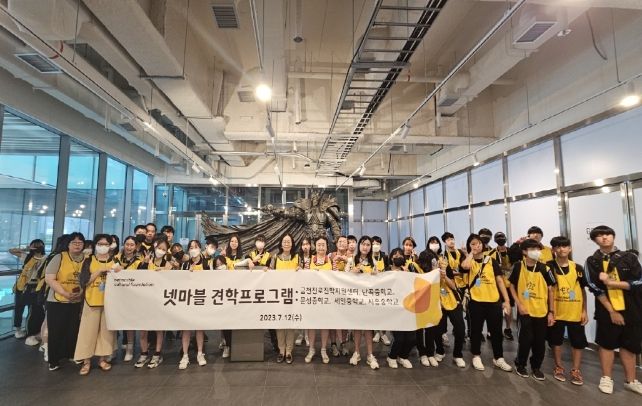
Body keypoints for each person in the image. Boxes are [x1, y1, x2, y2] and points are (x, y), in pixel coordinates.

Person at [584, 225, 642, 395]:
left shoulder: (629, 257)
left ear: (613, 236)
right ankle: (606, 378)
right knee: (606, 344)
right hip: (606, 310)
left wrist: (612, 283)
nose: (604, 237)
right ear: (594, 240)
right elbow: (594, 287)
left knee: (629, 345)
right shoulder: (592, 261)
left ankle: (631, 381)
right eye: (600, 235)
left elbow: (638, 281)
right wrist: (612, 311)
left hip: (631, 309)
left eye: (608, 234)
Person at [460, 234, 512, 372]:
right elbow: (465, 266)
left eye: (478, 243)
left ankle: (498, 358)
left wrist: (506, 300)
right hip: (476, 301)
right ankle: (476, 356)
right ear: (469, 246)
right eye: (472, 244)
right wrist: (470, 253)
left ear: (483, 244)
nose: (476, 246)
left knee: (496, 332)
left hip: (493, 301)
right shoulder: (469, 260)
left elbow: (500, 280)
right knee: (476, 331)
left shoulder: (491, 260)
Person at [508, 239, 556, 381]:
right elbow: (511, 286)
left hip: (542, 311)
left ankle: (536, 367)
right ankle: (520, 364)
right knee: (525, 340)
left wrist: (551, 312)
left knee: (540, 342)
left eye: (538, 249)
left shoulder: (545, 268)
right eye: (532, 249)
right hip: (525, 311)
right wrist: (519, 304)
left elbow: (551, 290)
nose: (536, 251)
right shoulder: (518, 266)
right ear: (524, 251)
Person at [75, 234, 118, 376]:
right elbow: (84, 281)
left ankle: (102, 359)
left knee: (106, 333)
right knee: (87, 332)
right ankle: (86, 361)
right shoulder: (88, 260)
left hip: (109, 303)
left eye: (106, 244)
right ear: (95, 245)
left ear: (110, 246)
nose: (103, 247)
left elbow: (122, 280)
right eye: (100, 244)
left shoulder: (115, 261)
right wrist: (99, 271)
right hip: (91, 301)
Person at [547, 236, 588, 385]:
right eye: (558, 246)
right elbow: (547, 290)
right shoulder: (548, 266)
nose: (561, 249)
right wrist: (550, 312)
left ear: (569, 249)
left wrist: (584, 310)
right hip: (557, 311)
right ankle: (558, 367)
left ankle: (576, 370)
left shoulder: (578, 268)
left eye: (564, 246)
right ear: (553, 250)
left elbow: (582, 290)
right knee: (556, 341)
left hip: (575, 311)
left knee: (577, 342)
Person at [44, 232, 86, 371]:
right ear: (68, 244)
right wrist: (65, 293)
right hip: (57, 301)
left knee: (72, 330)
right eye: (74, 242)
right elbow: (49, 278)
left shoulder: (86, 259)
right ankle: (53, 360)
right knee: (56, 331)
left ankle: (71, 354)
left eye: (80, 243)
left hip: (76, 301)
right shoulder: (59, 257)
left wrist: (80, 293)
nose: (77, 245)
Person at [135, 236, 173, 368]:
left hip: (159, 300)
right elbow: (138, 277)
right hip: (144, 299)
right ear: (155, 247)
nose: (161, 251)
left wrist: (162, 270)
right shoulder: (146, 260)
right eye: (159, 248)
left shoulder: (167, 264)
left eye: (164, 249)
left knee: (158, 328)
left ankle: (157, 354)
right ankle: (144, 353)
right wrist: (145, 263)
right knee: (143, 329)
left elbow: (170, 279)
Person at [348, 235, 380, 370]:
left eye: (368, 244)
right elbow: (343, 278)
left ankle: (370, 355)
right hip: (355, 299)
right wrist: (352, 272)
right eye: (363, 244)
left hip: (368, 301)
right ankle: (356, 352)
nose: (365, 247)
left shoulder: (374, 261)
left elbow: (379, 280)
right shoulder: (351, 260)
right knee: (357, 327)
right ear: (359, 245)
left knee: (368, 328)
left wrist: (375, 275)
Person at [178, 240, 210, 370]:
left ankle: (200, 353)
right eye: (191, 247)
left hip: (200, 299)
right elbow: (180, 282)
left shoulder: (206, 263)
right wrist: (188, 274)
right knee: (186, 329)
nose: (193, 249)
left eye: (196, 247)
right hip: (187, 300)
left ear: (200, 249)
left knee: (199, 328)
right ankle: (185, 356)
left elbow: (212, 280)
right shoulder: (185, 264)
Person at [269, 234, 299, 364]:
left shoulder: (297, 257)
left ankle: (289, 351)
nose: (286, 244)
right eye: (284, 242)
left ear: (292, 244)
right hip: (278, 296)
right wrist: (266, 271)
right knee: (280, 324)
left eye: (289, 242)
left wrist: (300, 270)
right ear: (281, 244)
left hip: (292, 296)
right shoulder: (275, 257)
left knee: (290, 323)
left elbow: (302, 274)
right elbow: (270, 273)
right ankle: (281, 350)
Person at [386, 248, 417, 369]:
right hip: (394, 310)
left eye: (400, 255)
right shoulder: (387, 271)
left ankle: (403, 356)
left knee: (412, 338)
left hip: (408, 309)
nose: (398, 257)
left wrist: (409, 274)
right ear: (391, 257)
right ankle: (392, 356)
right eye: (395, 255)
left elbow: (416, 285)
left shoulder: (408, 270)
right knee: (399, 338)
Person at [417, 236, 446, 367]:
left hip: (436, 293)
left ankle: (430, 353)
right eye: (432, 242)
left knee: (431, 325)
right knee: (420, 326)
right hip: (423, 293)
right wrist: (433, 271)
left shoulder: (442, 257)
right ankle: (422, 353)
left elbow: (445, 278)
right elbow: (423, 270)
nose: (434, 244)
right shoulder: (424, 254)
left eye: (436, 242)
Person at [10, 239, 46, 342]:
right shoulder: (27, 257)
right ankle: (18, 329)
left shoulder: (46, 258)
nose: (36, 247)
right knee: (19, 308)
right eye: (34, 245)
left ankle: (30, 330)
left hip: (35, 287)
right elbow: (11, 251)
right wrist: (26, 248)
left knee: (33, 310)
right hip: (22, 286)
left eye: (38, 245)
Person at [437, 244, 467, 369]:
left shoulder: (445, 265)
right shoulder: (427, 268)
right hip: (437, 302)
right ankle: (440, 351)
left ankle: (457, 355)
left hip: (452, 300)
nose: (439, 261)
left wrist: (444, 276)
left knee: (460, 328)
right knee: (438, 330)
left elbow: (454, 286)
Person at [306, 236, 332, 364]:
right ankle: (311, 349)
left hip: (327, 298)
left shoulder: (331, 260)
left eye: (323, 245)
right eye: (319, 245)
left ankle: (323, 349)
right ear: (315, 247)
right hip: (312, 298)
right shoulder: (309, 260)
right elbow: (304, 277)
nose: (321, 247)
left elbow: (337, 277)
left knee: (324, 324)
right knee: (311, 324)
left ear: (327, 247)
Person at [113, 236, 141, 361]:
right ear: (124, 245)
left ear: (136, 247)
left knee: (129, 323)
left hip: (132, 296)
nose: (129, 247)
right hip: (116, 295)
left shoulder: (139, 261)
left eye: (132, 245)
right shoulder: (115, 258)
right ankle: (112, 348)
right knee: (113, 322)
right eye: (127, 244)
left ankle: (130, 348)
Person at [371, 235, 391, 346]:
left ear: (381, 245)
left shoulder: (385, 256)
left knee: (384, 311)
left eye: (377, 243)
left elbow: (389, 269)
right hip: (372, 287)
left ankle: (383, 333)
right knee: (374, 311)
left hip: (383, 286)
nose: (375, 245)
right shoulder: (368, 256)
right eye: (373, 243)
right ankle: (376, 332)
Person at [295, 237, 313, 347]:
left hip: (310, 288)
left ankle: (307, 336)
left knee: (308, 313)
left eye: (307, 244)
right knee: (300, 312)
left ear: (310, 245)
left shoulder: (314, 257)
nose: (305, 246)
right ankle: (300, 335)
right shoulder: (298, 257)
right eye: (303, 244)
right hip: (300, 287)